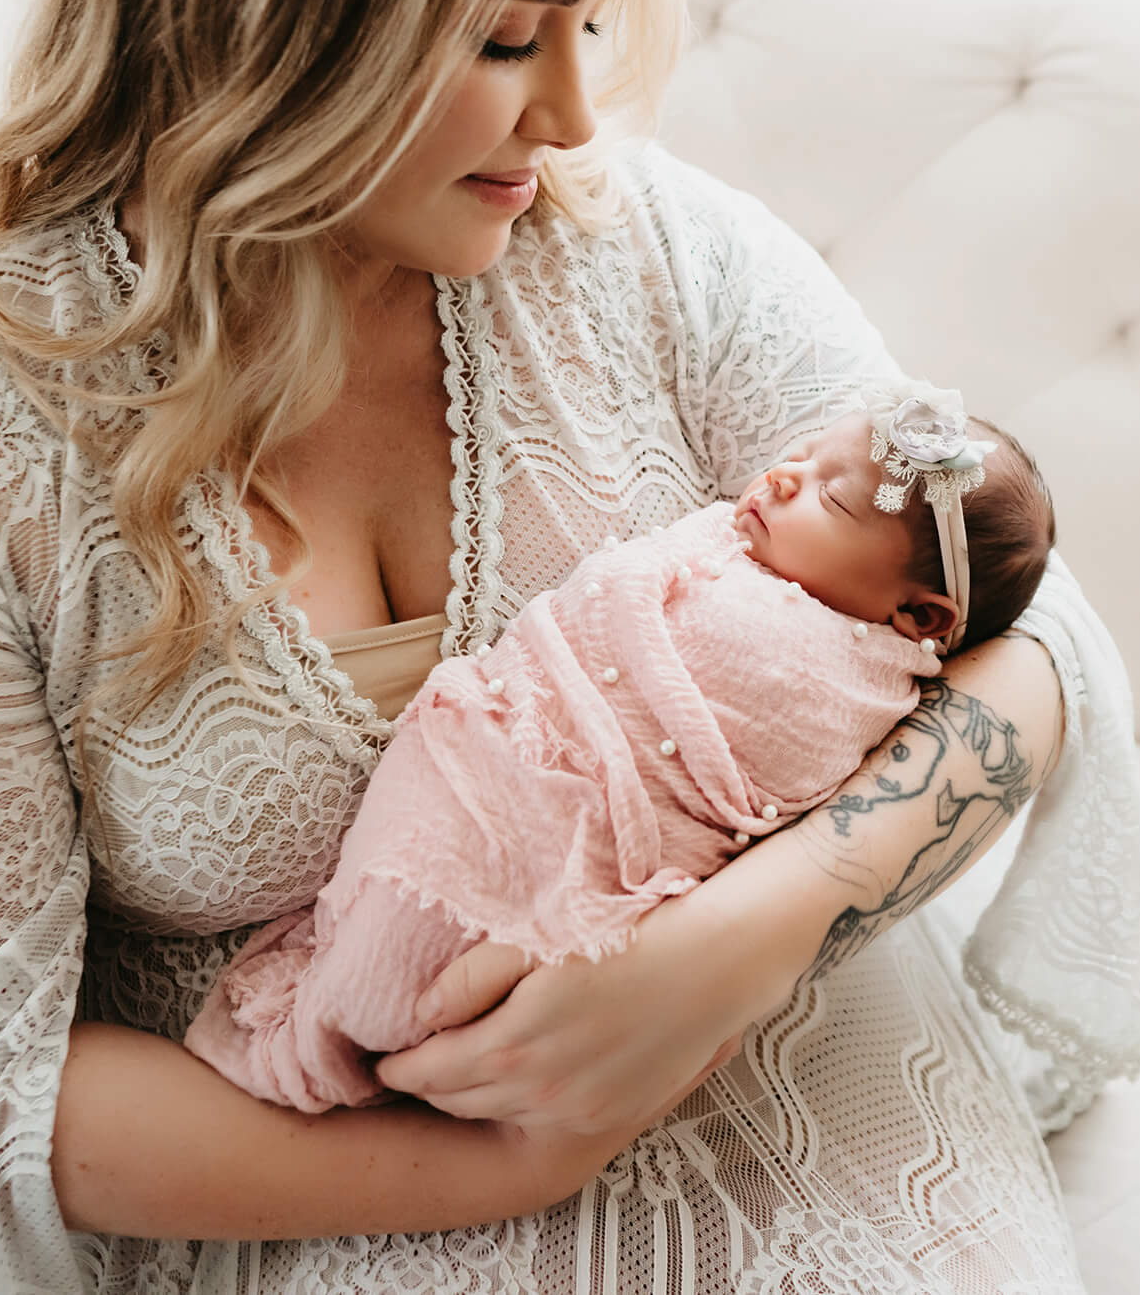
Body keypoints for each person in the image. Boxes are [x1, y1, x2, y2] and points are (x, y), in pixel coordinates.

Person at [0, 0, 1140, 1291]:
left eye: (594, 15)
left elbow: (1035, 630)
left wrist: (731, 947)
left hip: (797, 1067)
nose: (571, 112)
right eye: (504, 34)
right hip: (312, 1162)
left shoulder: (652, 251)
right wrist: (512, 1148)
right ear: (268, 6)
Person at [184, 395, 1056, 1110]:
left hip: (582, 842)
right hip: (495, 756)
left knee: (407, 943)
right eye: (803, 454)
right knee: (405, 861)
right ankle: (323, 995)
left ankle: (315, 1040)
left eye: (829, 498)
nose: (782, 476)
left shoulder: (850, 676)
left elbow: (755, 760)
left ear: (920, 618)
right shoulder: (758, 548)